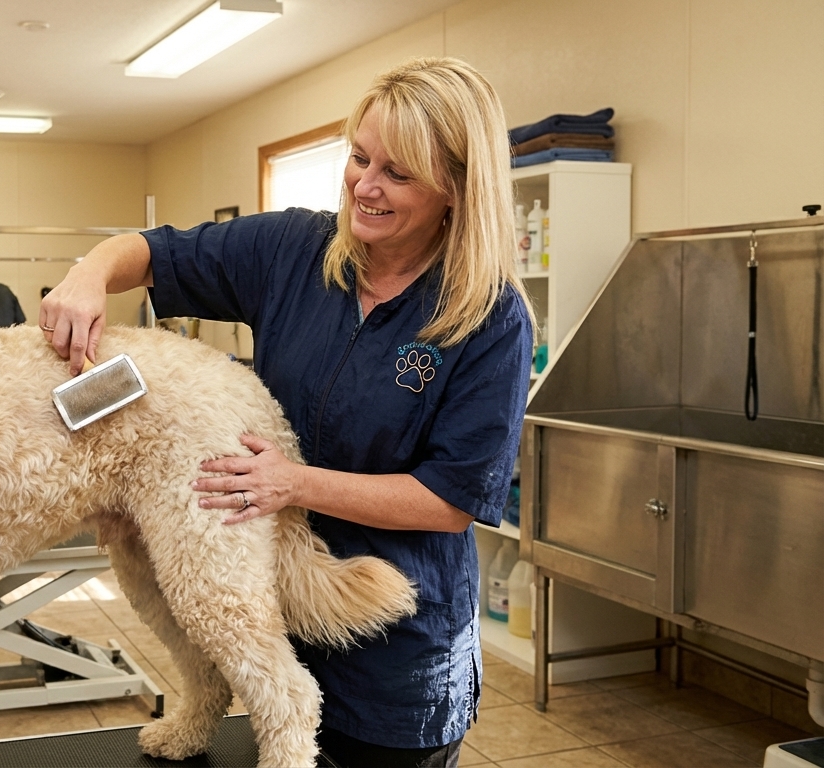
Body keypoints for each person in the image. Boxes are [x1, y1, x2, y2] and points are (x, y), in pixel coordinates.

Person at [39, 57, 532, 768]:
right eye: (358, 158)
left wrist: (294, 484)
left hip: (395, 652)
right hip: (272, 608)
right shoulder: (294, 250)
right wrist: (87, 277)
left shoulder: (489, 318)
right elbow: (152, 251)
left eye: (396, 173)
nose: (364, 185)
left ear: (454, 186)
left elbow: (451, 500)